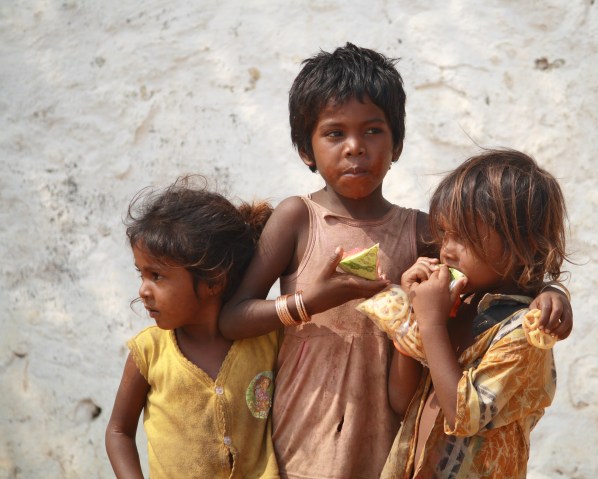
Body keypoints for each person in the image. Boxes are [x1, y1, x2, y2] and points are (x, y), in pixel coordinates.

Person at [219, 44, 572, 479]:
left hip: (390, 431)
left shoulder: (424, 231)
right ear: (305, 150)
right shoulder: (297, 219)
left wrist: (550, 294)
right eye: (334, 133)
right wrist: (309, 302)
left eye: (372, 131)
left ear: (398, 142)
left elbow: (493, 272)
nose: (354, 148)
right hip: (303, 416)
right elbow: (233, 318)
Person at [381, 149, 570, 478]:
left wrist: (431, 323)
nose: (447, 250)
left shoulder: (525, 334)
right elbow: (401, 399)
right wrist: (414, 316)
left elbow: (462, 415)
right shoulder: (456, 307)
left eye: (465, 237)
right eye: (445, 234)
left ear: (522, 247)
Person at [105, 177, 280, 479]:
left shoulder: (268, 341)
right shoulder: (148, 352)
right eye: (142, 274)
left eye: (157, 276)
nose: (143, 290)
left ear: (214, 280)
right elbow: (118, 431)